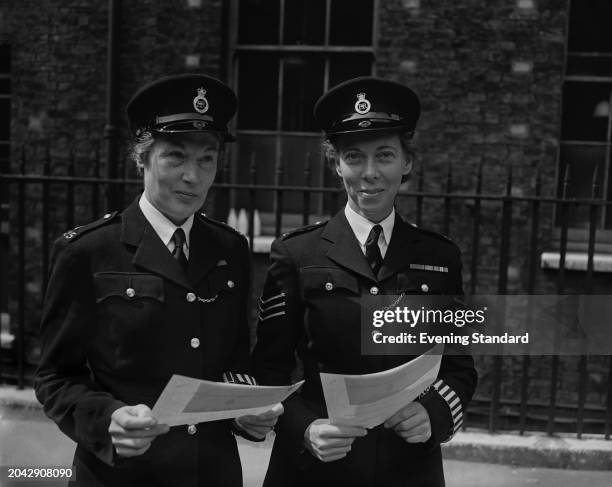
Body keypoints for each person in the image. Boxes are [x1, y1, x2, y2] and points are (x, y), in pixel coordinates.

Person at [35, 74, 282, 487]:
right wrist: (107, 418)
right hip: (124, 474)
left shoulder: (230, 249)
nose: (193, 176)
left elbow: (235, 364)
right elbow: (56, 377)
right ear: (142, 157)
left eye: (207, 159)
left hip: (212, 473)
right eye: (176, 156)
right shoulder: (87, 252)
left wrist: (246, 412)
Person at [252, 76, 477, 487]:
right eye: (354, 157)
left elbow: (459, 368)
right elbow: (269, 371)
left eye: (385, 155)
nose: (370, 173)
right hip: (314, 469)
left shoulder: (440, 258)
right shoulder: (297, 254)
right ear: (336, 163)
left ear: (407, 162)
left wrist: (434, 414)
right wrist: (303, 428)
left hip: (407, 468)